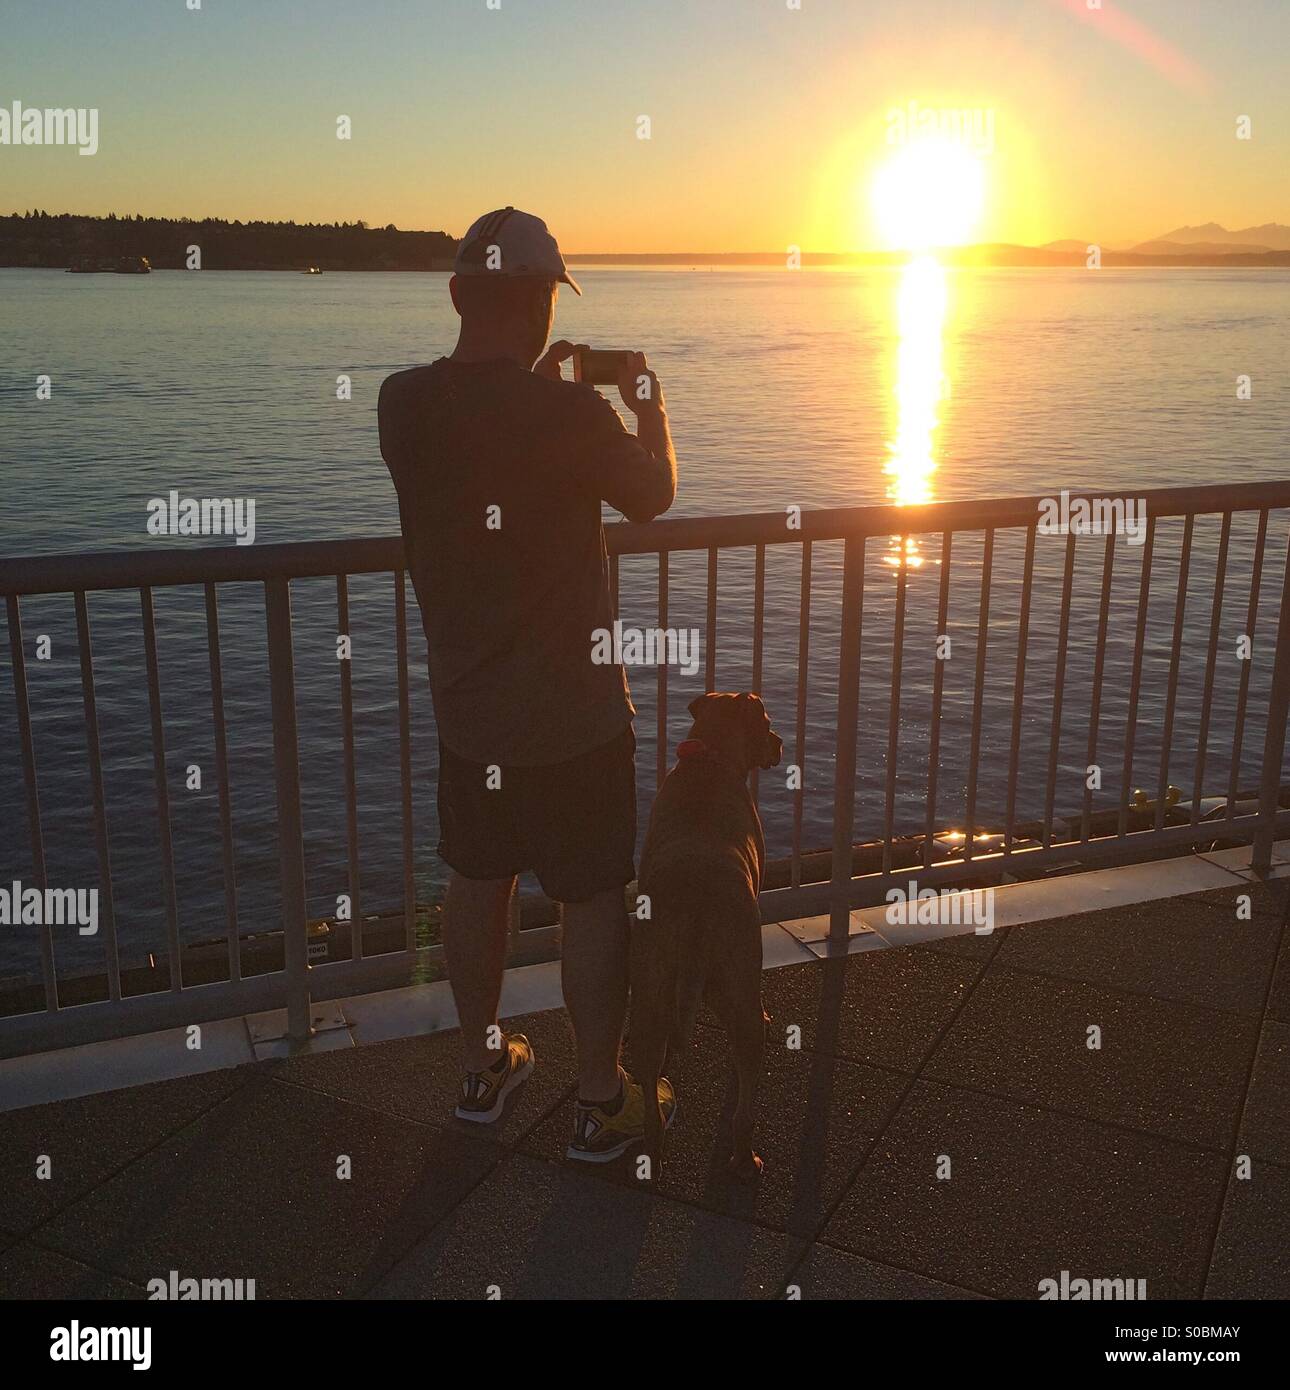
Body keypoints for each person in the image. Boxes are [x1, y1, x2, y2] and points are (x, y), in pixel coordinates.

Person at [378, 207, 678, 1160]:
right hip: (576, 718)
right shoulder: (575, 415)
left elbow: (481, 438)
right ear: (543, 304)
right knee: (590, 899)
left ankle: (481, 1068)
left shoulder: (401, 403)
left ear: (462, 294)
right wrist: (647, 401)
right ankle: (601, 1101)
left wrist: (534, 394)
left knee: (477, 882)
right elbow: (654, 496)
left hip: (471, 716)